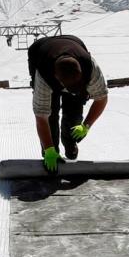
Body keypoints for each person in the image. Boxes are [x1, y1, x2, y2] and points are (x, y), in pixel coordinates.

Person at [27, 34, 109, 172]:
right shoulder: (44, 76)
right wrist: (49, 149)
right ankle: (52, 155)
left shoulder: (90, 68)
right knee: (51, 115)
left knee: (73, 116)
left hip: (73, 43)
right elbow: (41, 117)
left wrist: (86, 126)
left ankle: (70, 148)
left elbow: (102, 98)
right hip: (40, 52)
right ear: (56, 78)